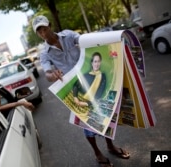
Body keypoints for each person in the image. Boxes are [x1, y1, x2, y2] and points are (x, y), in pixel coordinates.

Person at [32, 15, 130, 167]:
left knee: (103, 114)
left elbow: (84, 41)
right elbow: (47, 73)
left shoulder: (69, 35)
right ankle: (97, 153)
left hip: (91, 78)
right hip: (74, 89)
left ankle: (110, 146)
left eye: (44, 28)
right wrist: (53, 75)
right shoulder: (45, 53)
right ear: (38, 34)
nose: (43, 33)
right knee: (88, 121)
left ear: (50, 25)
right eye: (39, 32)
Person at [72, 52, 106, 121]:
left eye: (98, 61)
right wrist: (75, 97)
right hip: (78, 101)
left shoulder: (103, 76)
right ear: (92, 63)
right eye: (95, 61)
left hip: (91, 104)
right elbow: (75, 85)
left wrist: (85, 104)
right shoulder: (86, 75)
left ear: (100, 62)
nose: (97, 64)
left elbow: (99, 96)